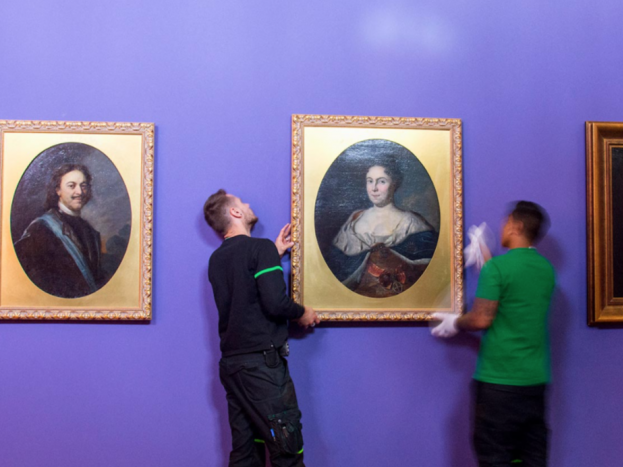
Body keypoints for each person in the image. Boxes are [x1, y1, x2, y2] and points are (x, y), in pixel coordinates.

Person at [432, 201, 555, 467]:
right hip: (534, 384)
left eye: (505, 221)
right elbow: (515, 289)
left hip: (498, 385)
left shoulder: (497, 270)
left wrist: (455, 323)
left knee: (496, 458)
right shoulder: (546, 271)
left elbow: (481, 318)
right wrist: (486, 259)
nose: (502, 226)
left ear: (515, 224)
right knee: (530, 458)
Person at [204, 189, 319, 467]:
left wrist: (274, 254)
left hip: (232, 366)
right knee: (287, 450)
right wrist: (303, 313)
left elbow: (246, 288)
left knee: (246, 454)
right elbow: (276, 304)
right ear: (235, 212)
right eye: (243, 202)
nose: (248, 203)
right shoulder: (260, 249)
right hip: (262, 367)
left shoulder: (217, 260)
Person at [327, 158, 439, 297]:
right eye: (370, 181)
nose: (374, 188)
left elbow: (430, 267)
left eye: (381, 181)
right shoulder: (355, 219)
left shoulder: (411, 222)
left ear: (394, 184)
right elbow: (335, 263)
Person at [14, 163, 104, 298]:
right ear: (58, 190)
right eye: (71, 186)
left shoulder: (92, 233)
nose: (79, 192)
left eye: (83, 185)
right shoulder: (40, 229)